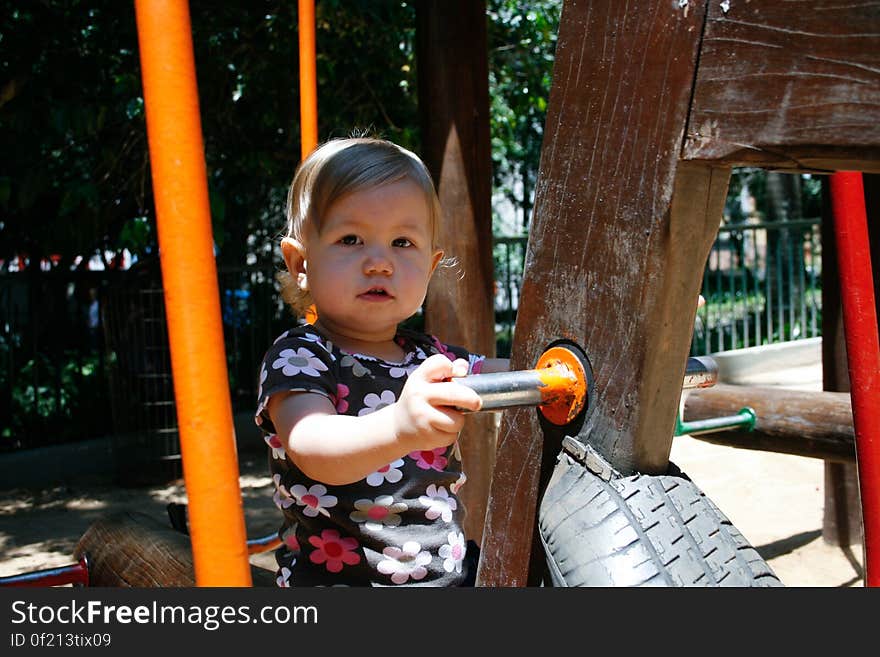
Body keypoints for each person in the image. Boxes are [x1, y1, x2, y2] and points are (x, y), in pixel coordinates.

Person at [255, 136, 508, 587]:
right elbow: (313, 447)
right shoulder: (302, 357)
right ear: (300, 263)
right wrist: (398, 427)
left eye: (402, 242)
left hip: (446, 578)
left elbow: (509, 375)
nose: (379, 262)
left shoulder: (432, 358)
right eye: (350, 239)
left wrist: (551, 372)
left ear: (429, 269)